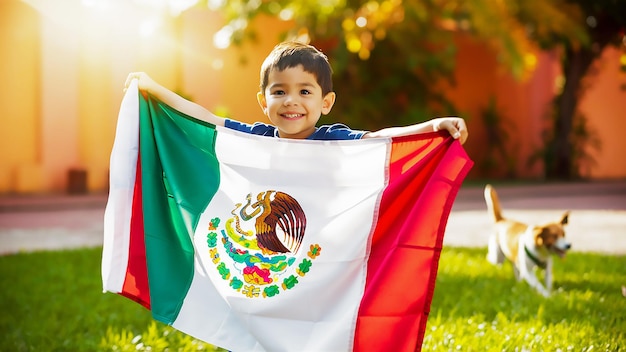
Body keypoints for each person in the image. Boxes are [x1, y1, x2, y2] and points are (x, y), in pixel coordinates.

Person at [125, 41, 468, 143]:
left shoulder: (333, 140)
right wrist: (153, 89)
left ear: (326, 102)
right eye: (279, 92)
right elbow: (207, 119)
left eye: (305, 92)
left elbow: (381, 139)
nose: (291, 100)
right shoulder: (256, 138)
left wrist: (431, 126)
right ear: (264, 101)